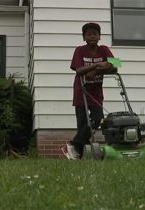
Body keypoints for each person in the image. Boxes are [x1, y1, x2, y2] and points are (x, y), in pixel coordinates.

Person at [61, 22, 117, 160]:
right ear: (84, 37)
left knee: (97, 119)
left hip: (96, 92)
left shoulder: (104, 49)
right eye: (88, 34)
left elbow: (115, 66)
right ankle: (78, 156)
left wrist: (96, 70)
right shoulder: (79, 50)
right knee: (82, 124)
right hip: (82, 91)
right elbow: (79, 70)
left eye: (95, 34)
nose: (92, 36)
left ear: (99, 36)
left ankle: (72, 145)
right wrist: (99, 64)